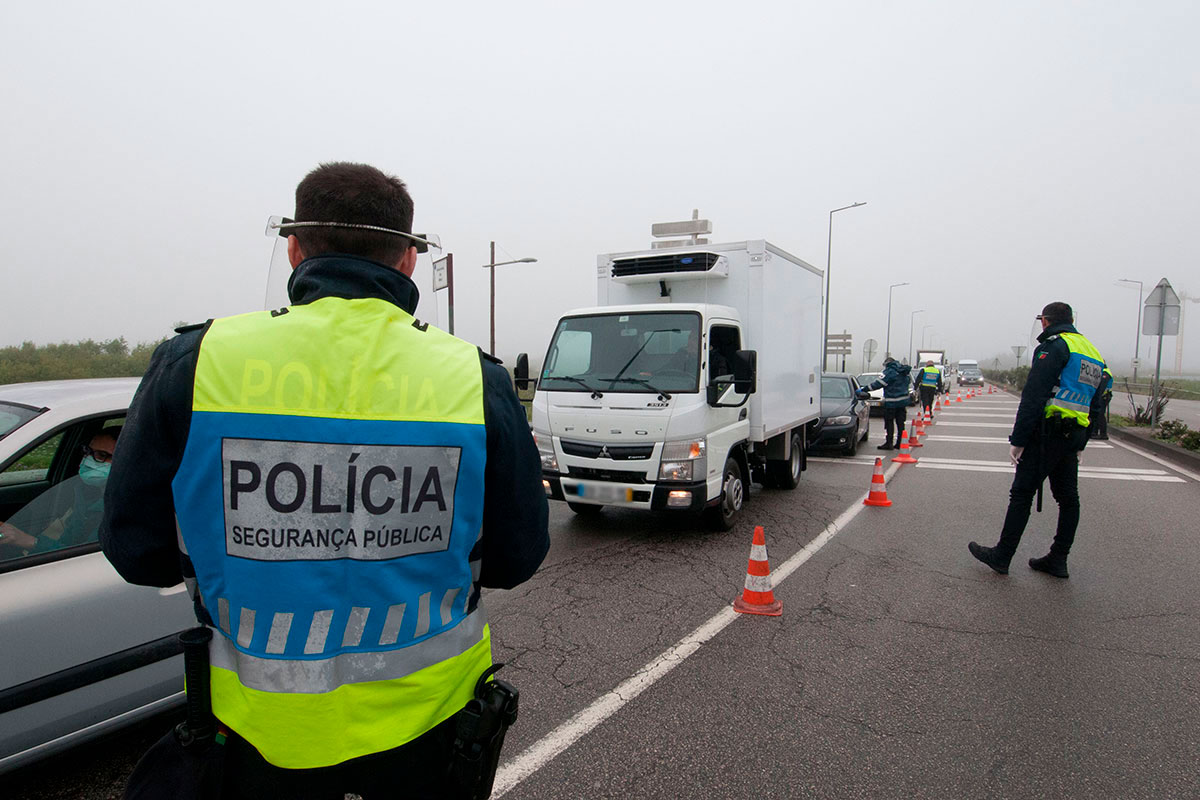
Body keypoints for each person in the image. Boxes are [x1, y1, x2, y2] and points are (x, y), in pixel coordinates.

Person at [99, 162, 550, 799]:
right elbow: (517, 557)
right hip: (429, 734)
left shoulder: (196, 363)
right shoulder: (472, 379)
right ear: (409, 260)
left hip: (254, 739)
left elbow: (138, 555)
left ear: (294, 247)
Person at [968, 302, 1106, 579]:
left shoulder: (1054, 347)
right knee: (1068, 499)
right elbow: (1099, 400)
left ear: (1045, 321)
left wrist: (1019, 439)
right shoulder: (1092, 352)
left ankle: (1002, 555)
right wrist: (1083, 440)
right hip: (1073, 433)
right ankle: (1058, 559)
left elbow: (1034, 395)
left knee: (1021, 494)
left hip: (1048, 431)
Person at [0, 427, 121, 556]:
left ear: (125, 460)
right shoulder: (87, 493)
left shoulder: (121, 510)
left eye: (101, 455)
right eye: (88, 451)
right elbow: (68, 542)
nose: (88, 460)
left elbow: (83, 558)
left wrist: (27, 541)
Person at [857, 356, 913, 449]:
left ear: (887, 364)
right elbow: (907, 382)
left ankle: (889, 443)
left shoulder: (889, 372)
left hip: (891, 402)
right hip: (902, 403)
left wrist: (864, 389)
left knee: (889, 422)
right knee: (900, 423)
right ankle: (900, 443)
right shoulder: (903, 371)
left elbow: (878, 384)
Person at [1090, 366, 1113, 440]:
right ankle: (1094, 432)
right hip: (1101, 396)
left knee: (1100, 414)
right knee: (1096, 413)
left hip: (1104, 396)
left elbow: (1102, 386)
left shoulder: (1105, 373)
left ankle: (1103, 434)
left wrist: (1097, 395)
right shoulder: (1103, 371)